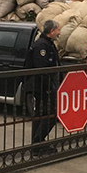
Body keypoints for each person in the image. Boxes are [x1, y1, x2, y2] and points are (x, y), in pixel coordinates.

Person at [25, 20, 61, 154]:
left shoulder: (48, 44)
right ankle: (37, 143)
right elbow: (41, 68)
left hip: (45, 85)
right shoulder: (41, 46)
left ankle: (37, 144)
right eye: (58, 30)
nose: (59, 32)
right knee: (47, 115)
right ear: (51, 31)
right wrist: (48, 87)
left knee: (43, 115)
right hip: (40, 86)